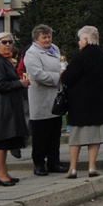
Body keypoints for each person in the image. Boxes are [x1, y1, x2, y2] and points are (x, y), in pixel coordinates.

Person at [61, 26, 103, 179]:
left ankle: (73, 168)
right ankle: (91, 166)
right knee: (95, 135)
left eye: (79, 39)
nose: (78, 43)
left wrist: (63, 73)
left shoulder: (81, 56)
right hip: (99, 101)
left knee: (76, 136)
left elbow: (67, 78)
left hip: (80, 102)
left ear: (85, 39)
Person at [0, 32, 30, 187]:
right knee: (0, 141)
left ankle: (4, 172)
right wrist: (20, 83)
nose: (7, 44)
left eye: (10, 42)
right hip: (2, 106)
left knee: (6, 141)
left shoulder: (5, 60)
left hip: (9, 105)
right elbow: (0, 85)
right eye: (3, 42)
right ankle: (0, 174)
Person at [25, 24, 67, 175]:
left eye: (49, 36)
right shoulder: (31, 54)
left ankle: (54, 162)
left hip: (55, 98)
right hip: (41, 99)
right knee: (41, 135)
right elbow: (38, 75)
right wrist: (59, 77)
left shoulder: (54, 49)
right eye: (44, 37)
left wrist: (65, 71)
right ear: (36, 39)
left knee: (55, 134)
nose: (48, 39)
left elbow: (63, 63)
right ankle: (39, 164)